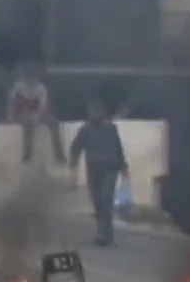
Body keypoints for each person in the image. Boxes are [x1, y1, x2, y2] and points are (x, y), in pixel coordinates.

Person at [69, 100, 127, 247]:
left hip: (110, 168)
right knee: (97, 202)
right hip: (94, 170)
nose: (95, 114)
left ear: (103, 112)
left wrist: (124, 167)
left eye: (98, 110)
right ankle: (104, 231)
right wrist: (73, 162)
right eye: (92, 111)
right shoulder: (85, 129)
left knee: (105, 199)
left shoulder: (110, 128)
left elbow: (118, 147)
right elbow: (76, 147)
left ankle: (104, 236)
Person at [10, 65, 65, 165]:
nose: (32, 82)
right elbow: (13, 101)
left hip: (38, 113)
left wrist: (37, 117)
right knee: (27, 126)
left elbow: (43, 107)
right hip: (24, 113)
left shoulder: (41, 89)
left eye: (34, 79)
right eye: (30, 79)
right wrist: (11, 116)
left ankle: (59, 154)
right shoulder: (18, 86)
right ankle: (27, 154)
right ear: (25, 79)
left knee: (55, 123)